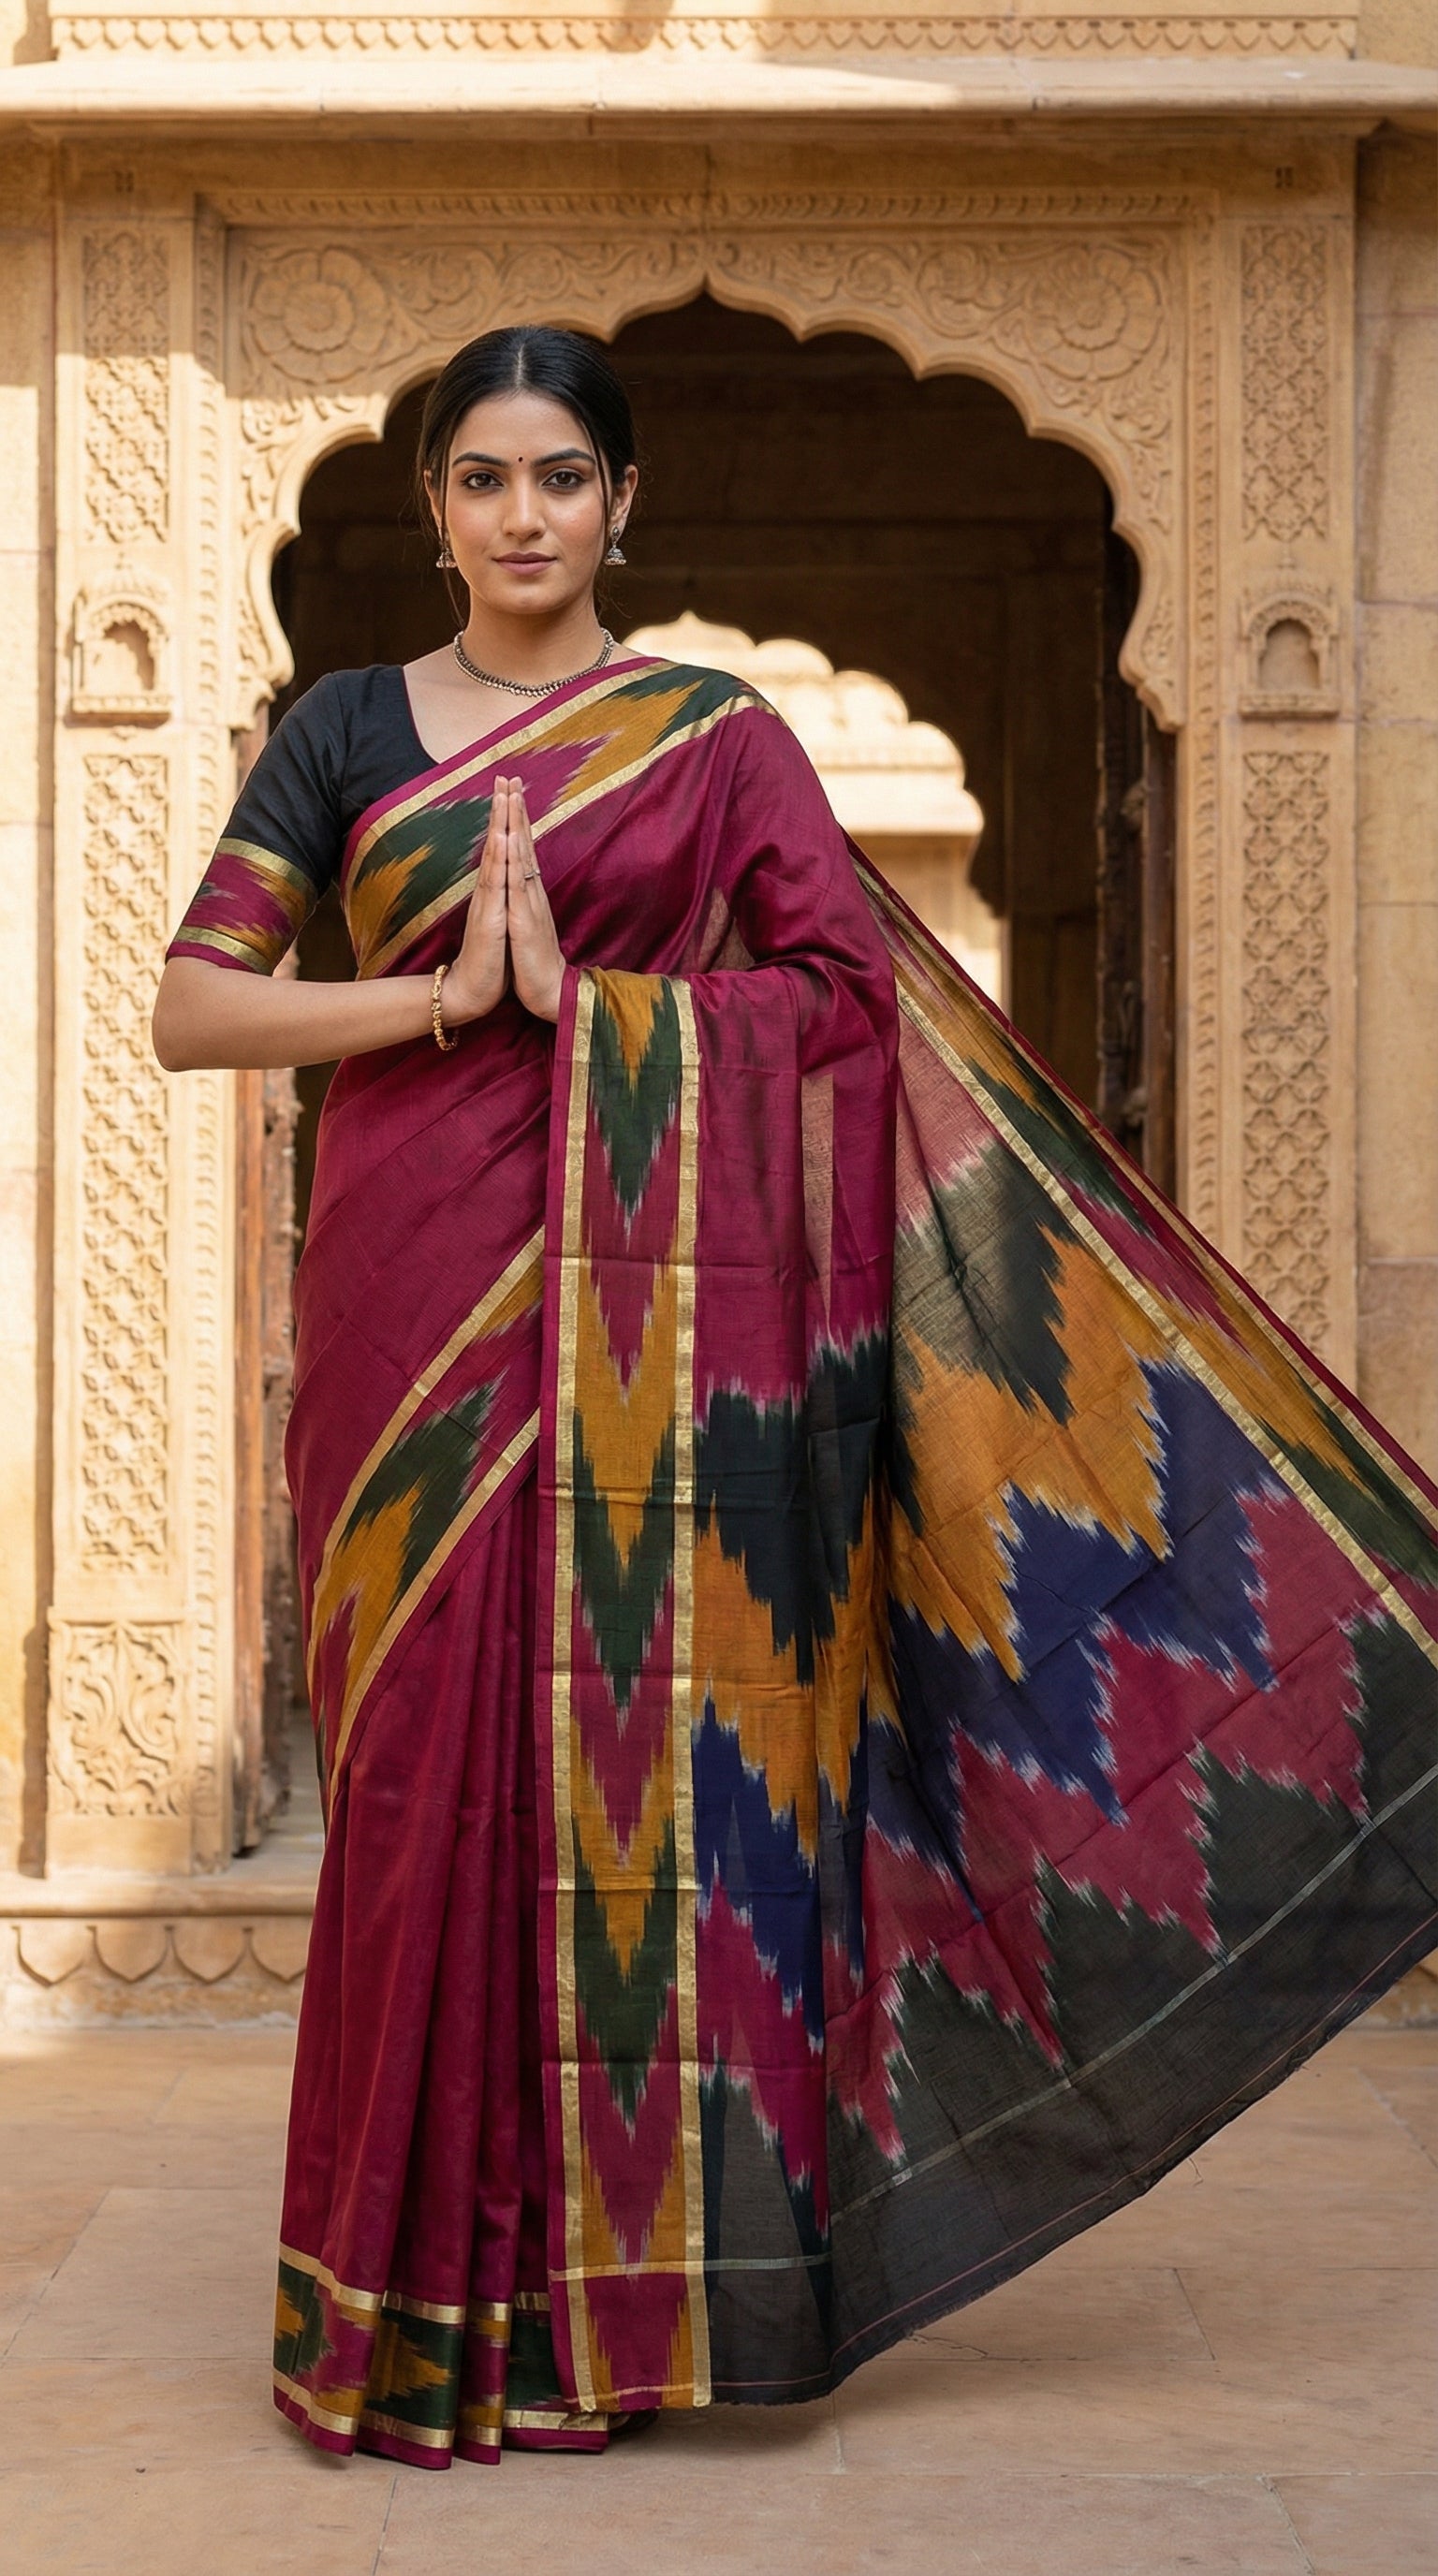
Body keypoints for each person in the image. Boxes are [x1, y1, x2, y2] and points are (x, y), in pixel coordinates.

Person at [153, 326, 1438, 2474]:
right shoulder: (348, 730)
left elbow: (845, 1001)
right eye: (483, 478)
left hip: (653, 1349)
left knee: (619, 1807)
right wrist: (444, 995)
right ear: (436, 506)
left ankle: (601, 2308)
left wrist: (600, 1013)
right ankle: (402, 2318)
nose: (525, 515)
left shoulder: (718, 743)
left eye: (563, 476)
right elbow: (199, 1006)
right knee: (406, 1804)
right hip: (406, 1328)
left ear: (623, 501)